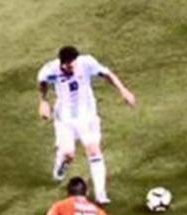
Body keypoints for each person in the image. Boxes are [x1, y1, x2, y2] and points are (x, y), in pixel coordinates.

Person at [37, 46, 136, 205]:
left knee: (94, 150)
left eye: (74, 64)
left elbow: (107, 74)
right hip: (64, 119)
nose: (73, 68)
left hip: (87, 116)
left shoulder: (87, 63)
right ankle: (61, 165)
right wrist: (43, 101)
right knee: (68, 154)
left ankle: (101, 194)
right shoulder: (50, 70)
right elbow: (42, 83)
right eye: (69, 66)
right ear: (62, 64)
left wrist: (123, 90)